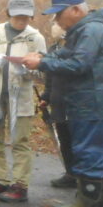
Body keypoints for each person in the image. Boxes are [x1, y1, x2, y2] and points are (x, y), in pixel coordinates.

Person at [23, 0, 103, 207]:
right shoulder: (83, 31)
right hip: (99, 102)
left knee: (90, 152)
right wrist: (43, 57)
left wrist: (42, 62)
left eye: (59, 14)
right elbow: (66, 57)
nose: (56, 20)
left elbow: (79, 64)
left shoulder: (90, 30)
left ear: (76, 10)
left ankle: (86, 205)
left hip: (94, 104)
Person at [0, 0, 47, 203]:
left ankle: (20, 185)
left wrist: (29, 70)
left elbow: (44, 72)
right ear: (8, 14)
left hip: (21, 96)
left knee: (20, 141)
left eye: (26, 17)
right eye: (17, 16)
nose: (21, 21)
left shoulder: (35, 37)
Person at [39, 23, 77, 188]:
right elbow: (49, 78)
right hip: (57, 100)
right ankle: (70, 173)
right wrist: (46, 96)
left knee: (76, 139)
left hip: (73, 101)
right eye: (53, 24)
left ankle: (82, 176)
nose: (54, 27)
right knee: (63, 137)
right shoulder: (52, 49)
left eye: (58, 24)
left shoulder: (75, 47)